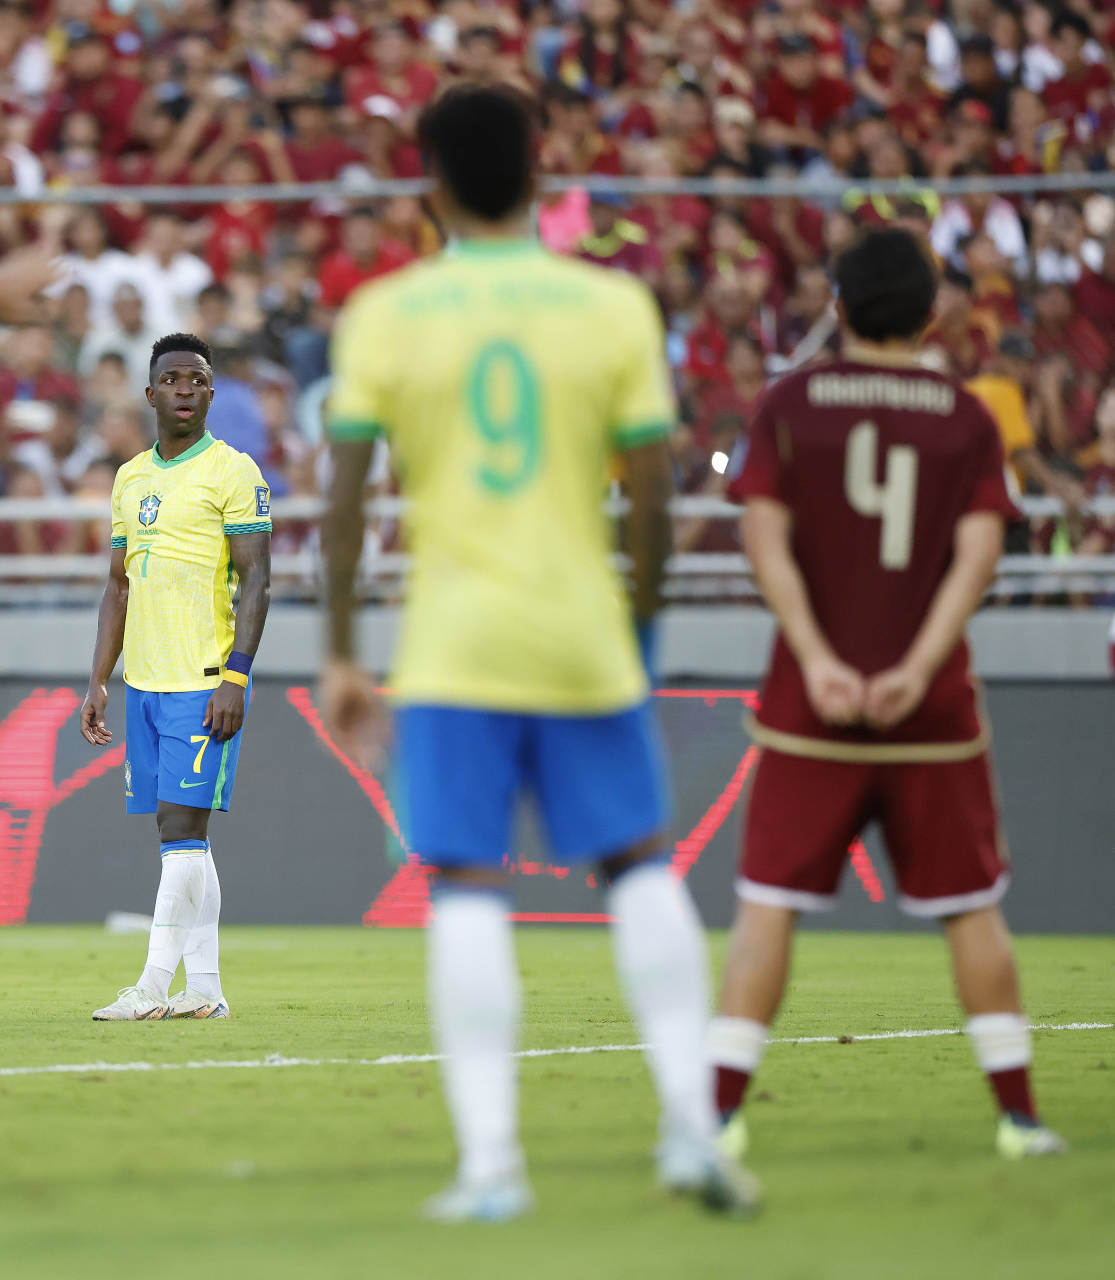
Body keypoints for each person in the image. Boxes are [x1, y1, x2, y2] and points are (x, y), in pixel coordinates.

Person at [318, 86, 758, 1223]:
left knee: (464, 884)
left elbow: (347, 499)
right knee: (639, 867)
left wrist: (340, 652)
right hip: (582, 637)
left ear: (430, 187)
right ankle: (692, 1128)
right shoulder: (612, 306)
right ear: (540, 172)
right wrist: (644, 631)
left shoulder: (386, 314)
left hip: (456, 647)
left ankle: (491, 1166)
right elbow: (656, 493)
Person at [710, 227, 1066, 1163]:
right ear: (932, 310)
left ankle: (719, 1119)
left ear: (837, 305)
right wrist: (917, 663)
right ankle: (1020, 1119)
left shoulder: (790, 404)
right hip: (932, 714)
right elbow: (981, 553)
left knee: (768, 905)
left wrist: (821, 657)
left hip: (808, 710)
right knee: (971, 907)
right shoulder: (964, 415)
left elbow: (765, 539)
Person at [78, 332, 272, 1022]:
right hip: (148, 683)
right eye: (173, 378)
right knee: (188, 838)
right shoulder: (131, 478)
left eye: (197, 378)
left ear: (211, 393)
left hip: (204, 676)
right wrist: (101, 679)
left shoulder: (234, 471)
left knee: (178, 828)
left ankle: (154, 988)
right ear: (152, 392)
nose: (185, 388)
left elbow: (257, 582)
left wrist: (236, 678)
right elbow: (117, 587)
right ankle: (207, 989)